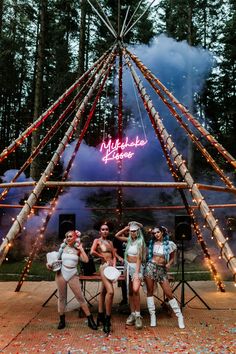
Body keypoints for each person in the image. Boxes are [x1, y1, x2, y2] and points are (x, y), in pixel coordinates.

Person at [46, 230, 97, 330]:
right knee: (62, 298)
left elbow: (86, 260)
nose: (69, 238)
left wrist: (81, 249)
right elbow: (53, 261)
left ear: (75, 238)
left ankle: (90, 320)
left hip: (73, 274)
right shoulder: (62, 249)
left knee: (80, 297)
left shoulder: (77, 249)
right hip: (61, 274)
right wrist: (48, 265)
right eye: (67, 236)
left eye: (71, 236)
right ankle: (62, 320)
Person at [144, 226, 185, 329]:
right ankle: (153, 316)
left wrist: (169, 264)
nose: (156, 234)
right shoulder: (152, 243)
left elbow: (172, 258)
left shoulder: (169, 244)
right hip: (150, 267)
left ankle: (179, 316)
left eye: (158, 232)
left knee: (169, 293)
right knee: (150, 291)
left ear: (162, 232)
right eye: (154, 233)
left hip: (162, 270)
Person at [115, 221, 146, 330]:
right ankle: (132, 314)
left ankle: (138, 315)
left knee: (136, 290)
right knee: (130, 292)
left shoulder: (140, 242)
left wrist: (137, 273)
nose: (132, 233)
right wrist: (126, 228)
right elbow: (117, 236)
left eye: (134, 231)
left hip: (136, 268)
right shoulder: (129, 240)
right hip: (127, 267)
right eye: (131, 231)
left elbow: (139, 258)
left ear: (138, 232)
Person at [90, 221, 117, 334]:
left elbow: (114, 256)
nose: (105, 231)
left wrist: (114, 268)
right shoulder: (97, 241)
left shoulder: (110, 242)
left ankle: (100, 315)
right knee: (110, 292)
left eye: (106, 229)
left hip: (110, 269)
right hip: (103, 267)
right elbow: (92, 252)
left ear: (108, 231)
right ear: (100, 231)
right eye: (103, 229)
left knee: (103, 292)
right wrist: (102, 256)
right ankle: (107, 319)